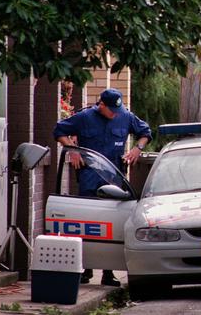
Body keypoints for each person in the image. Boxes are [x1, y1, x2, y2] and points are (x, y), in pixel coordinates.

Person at [53, 88, 152, 286]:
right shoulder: (84, 117)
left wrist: (136, 149)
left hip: (114, 178)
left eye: (118, 109)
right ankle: (86, 269)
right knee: (87, 224)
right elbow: (59, 131)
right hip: (90, 176)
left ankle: (108, 273)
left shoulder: (125, 116)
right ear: (102, 105)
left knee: (110, 224)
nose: (116, 114)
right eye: (112, 110)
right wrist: (72, 150)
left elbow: (145, 133)